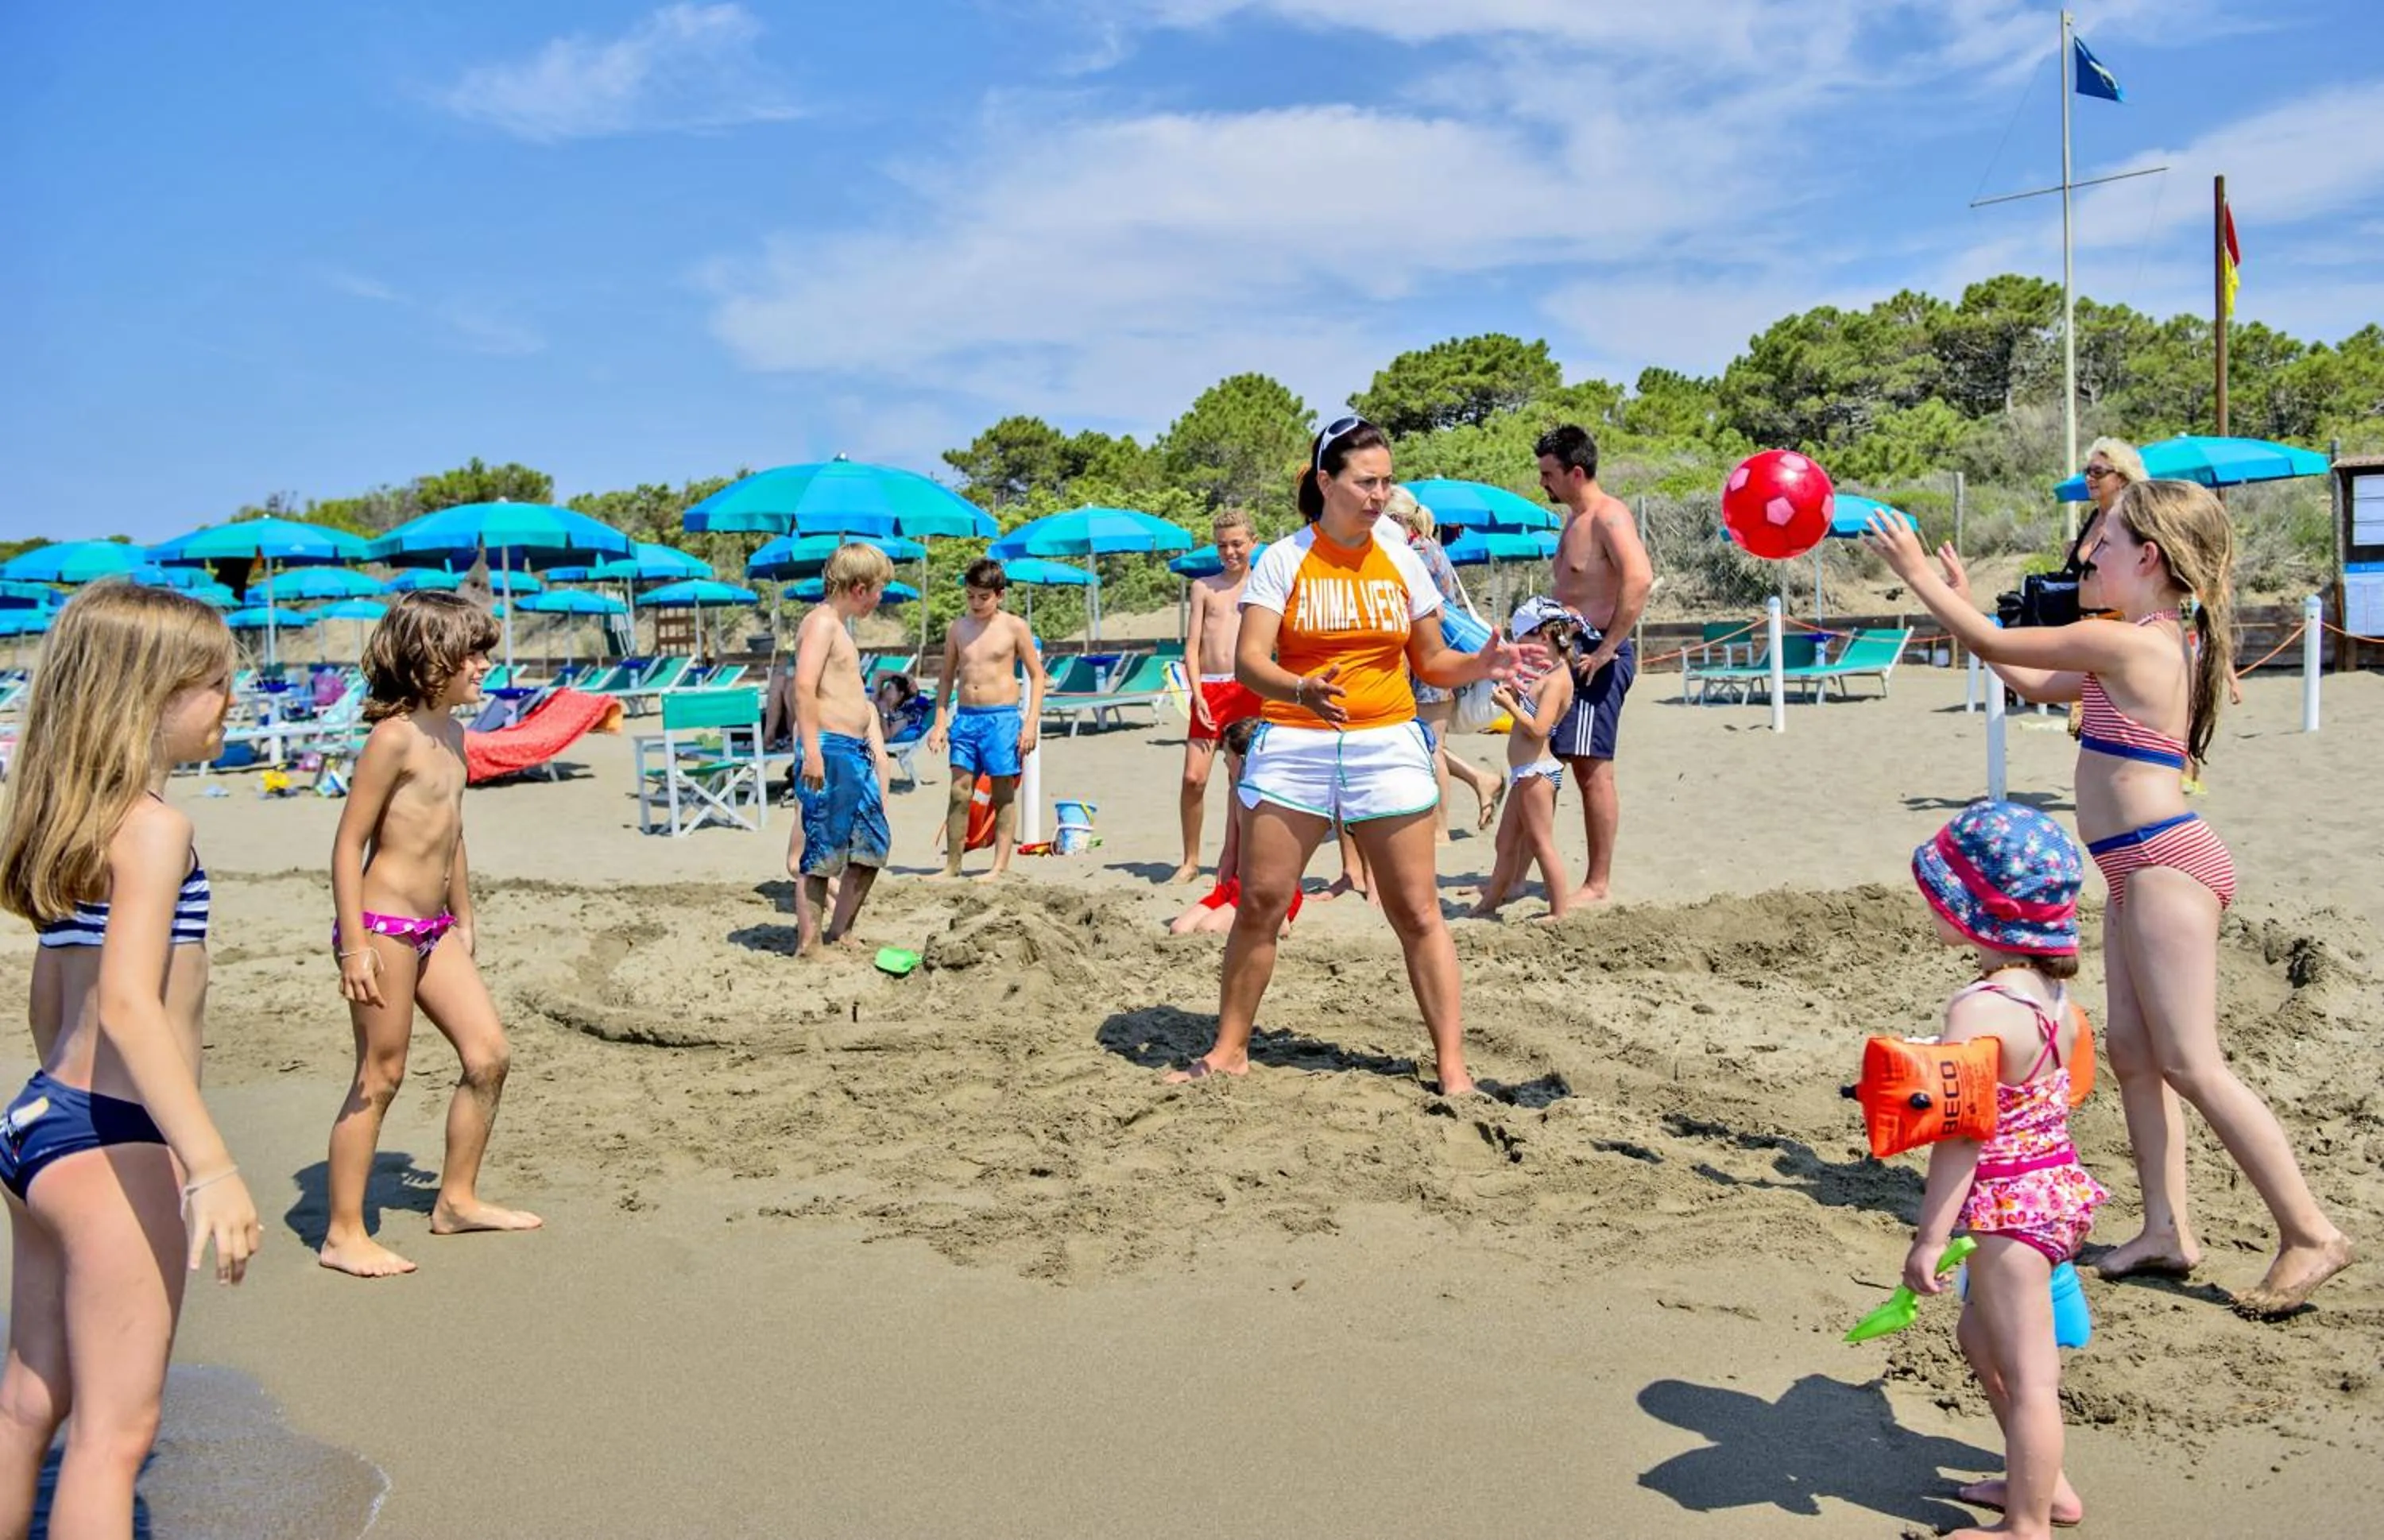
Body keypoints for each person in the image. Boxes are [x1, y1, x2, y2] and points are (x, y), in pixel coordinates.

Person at [1867, 482, 2353, 1318]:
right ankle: (2167, 1229)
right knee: (2133, 1052)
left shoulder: (2134, 642)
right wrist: (1963, 598)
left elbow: (1990, 637)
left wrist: (1919, 578)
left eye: (2106, 540)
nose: (2089, 554)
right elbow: (2024, 673)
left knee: (2193, 1063)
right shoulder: (2129, 643)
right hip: (2133, 869)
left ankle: (2310, 1232)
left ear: (2149, 557)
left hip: (2165, 864)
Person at [1163, 416, 1534, 1093]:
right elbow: (1250, 662)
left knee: (1417, 911)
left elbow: (1432, 661)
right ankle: (1229, 1051)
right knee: (1261, 902)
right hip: (1294, 744)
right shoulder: (1284, 558)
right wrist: (1300, 689)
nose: (1379, 495)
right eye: (1366, 482)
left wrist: (1481, 663)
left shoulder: (1402, 559)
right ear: (1327, 482)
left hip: (1386, 743)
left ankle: (1453, 1069)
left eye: (1386, 483)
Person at [0, 584, 262, 1532]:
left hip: (36, 1127)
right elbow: (127, 1002)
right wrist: (210, 1166)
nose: (232, 699)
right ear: (149, 696)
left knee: (27, 1403)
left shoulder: (74, 822)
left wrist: (67, 1119)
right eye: (215, 682)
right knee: (116, 1436)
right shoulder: (154, 828)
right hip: (111, 1138)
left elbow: (49, 996)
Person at [322, 592, 541, 1278]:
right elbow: (347, 845)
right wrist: (354, 945)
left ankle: (456, 1200)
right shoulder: (394, 738)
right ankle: (343, 1234)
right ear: (427, 661)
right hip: (381, 927)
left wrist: (464, 916)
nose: (484, 666)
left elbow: (453, 833)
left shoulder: (454, 734)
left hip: (434, 926)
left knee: (489, 1055)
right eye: (471, 654)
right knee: (381, 1074)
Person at [1901, 801, 2105, 1538]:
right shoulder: (2055, 999)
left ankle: (2029, 1525)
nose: (1934, 908)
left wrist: (1930, 1238)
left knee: (2031, 1378)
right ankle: (2038, 1486)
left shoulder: (1979, 1008)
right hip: (2055, 1190)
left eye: (1943, 896)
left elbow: (1960, 1137)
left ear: (1976, 913)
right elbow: (2045, 1090)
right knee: (1980, 1338)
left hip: (2008, 1210)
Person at [1538, 424, 1652, 906]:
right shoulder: (1574, 520)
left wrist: (1607, 649)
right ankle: (1512, 875)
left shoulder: (1609, 516)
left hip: (1596, 654)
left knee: (1591, 769)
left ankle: (1597, 882)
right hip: (1567, 652)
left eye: (1549, 473)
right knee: (1541, 762)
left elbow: (1639, 579)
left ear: (1576, 472)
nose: (1542, 482)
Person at [791, 544, 896, 954]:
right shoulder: (821, 623)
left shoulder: (838, 626)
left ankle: (841, 931)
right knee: (823, 850)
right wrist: (812, 751)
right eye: (879, 590)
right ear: (859, 588)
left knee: (873, 845)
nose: (880, 598)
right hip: (829, 747)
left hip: (854, 750)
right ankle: (810, 945)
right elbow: (804, 686)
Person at [1384, 488, 1503, 841]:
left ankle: (1439, 829)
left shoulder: (1416, 553)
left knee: (1430, 746)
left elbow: (1428, 611)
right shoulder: (1428, 548)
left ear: (1397, 520)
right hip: (1431, 658)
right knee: (1422, 742)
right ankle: (1481, 780)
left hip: (1430, 659)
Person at [927, 559, 1046, 881]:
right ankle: (952, 866)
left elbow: (1037, 676)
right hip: (966, 718)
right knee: (959, 791)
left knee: (1002, 792)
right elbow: (947, 677)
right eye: (970, 596)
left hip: (1002, 718)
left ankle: (999, 867)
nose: (976, 603)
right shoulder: (958, 628)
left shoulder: (1014, 627)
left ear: (999, 595)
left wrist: (1030, 723)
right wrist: (940, 722)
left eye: (983, 597)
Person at [1470, 598, 1580, 922]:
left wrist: (1510, 706)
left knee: (1541, 843)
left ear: (1544, 636)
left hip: (1537, 771)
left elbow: (1539, 729)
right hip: (1524, 772)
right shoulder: (1547, 674)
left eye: (1525, 640)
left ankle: (1559, 911)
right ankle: (1489, 903)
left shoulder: (1558, 680)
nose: (1523, 649)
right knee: (1505, 842)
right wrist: (1516, 696)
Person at [1172, 509, 1261, 884]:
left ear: (1252, 543)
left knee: (1242, 777)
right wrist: (1197, 693)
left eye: (1237, 544)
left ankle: (1236, 858)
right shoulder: (1204, 587)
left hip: (1249, 688)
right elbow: (1192, 647)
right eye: (1223, 545)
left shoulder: (1263, 585)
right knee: (1193, 778)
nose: (1230, 552)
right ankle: (1191, 860)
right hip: (1209, 688)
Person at [1167, 718, 1303, 937]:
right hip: (1236, 885)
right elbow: (1230, 850)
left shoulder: (1272, 797)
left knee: (1208, 928)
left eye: (1226, 755)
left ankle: (1278, 919)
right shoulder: (1235, 793)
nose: (1223, 761)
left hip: (1267, 888)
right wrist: (1219, 891)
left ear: (1241, 760)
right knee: (1179, 929)